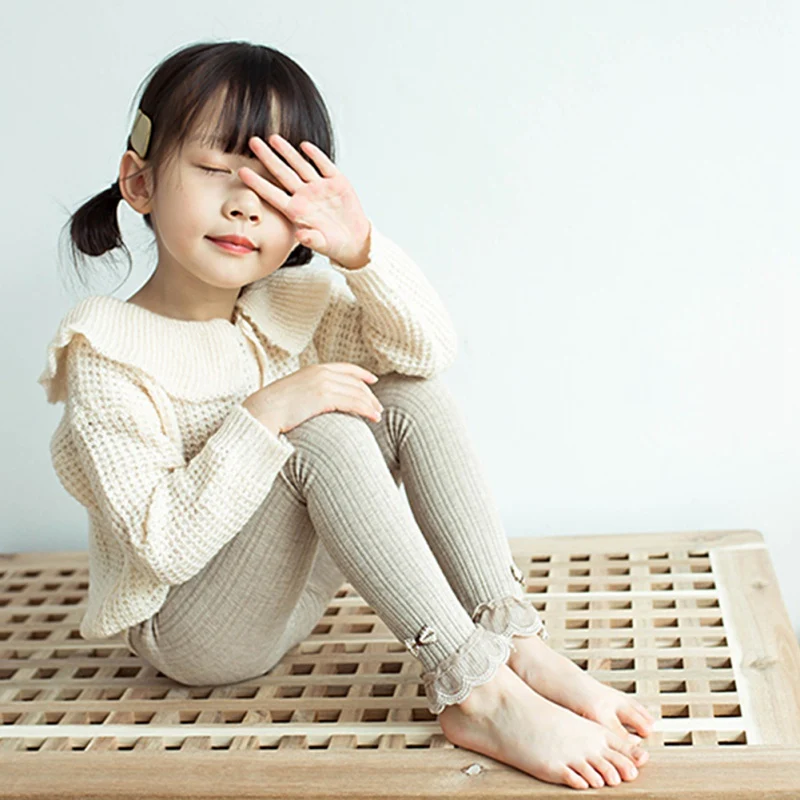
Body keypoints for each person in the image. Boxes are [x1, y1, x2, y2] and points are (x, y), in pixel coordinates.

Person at [38, 40, 654, 790]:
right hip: (191, 631)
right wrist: (263, 416)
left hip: (289, 601)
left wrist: (360, 248)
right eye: (215, 170)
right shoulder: (105, 348)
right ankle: (477, 692)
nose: (244, 204)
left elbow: (425, 354)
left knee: (402, 393)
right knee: (318, 428)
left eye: (276, 184)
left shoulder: (292, 306)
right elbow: (158, 548)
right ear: (140, 181)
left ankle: (511, 639)